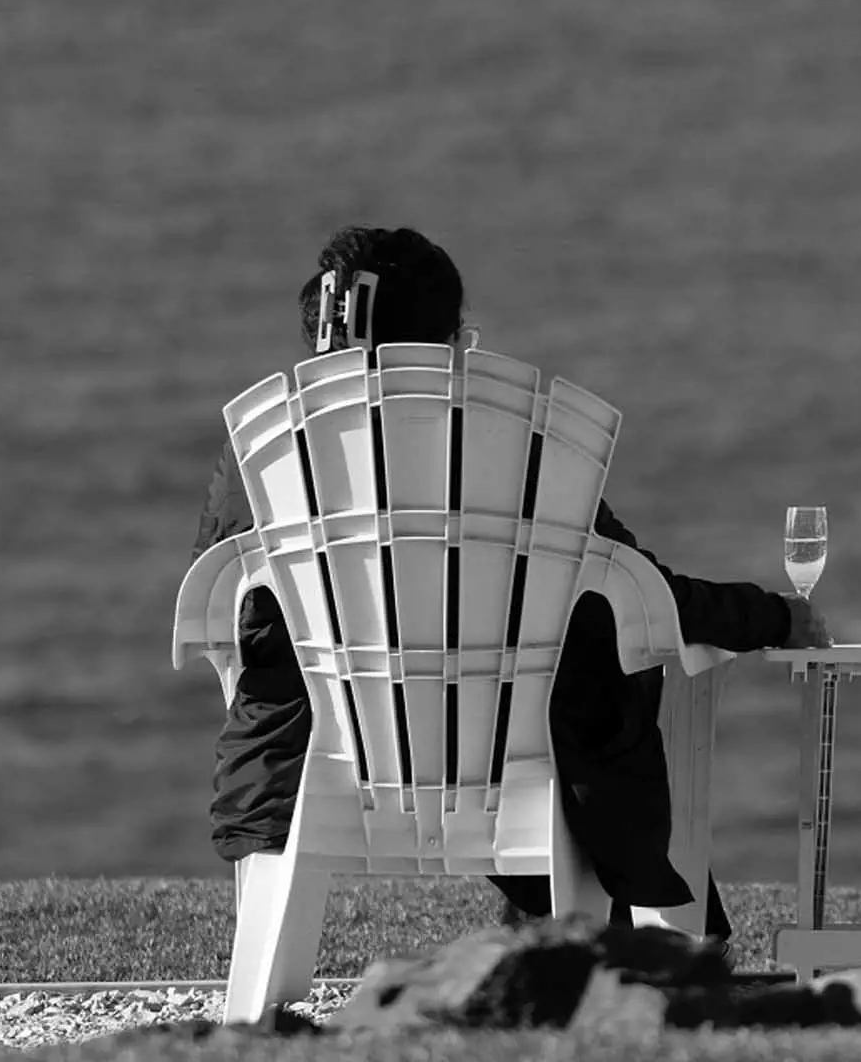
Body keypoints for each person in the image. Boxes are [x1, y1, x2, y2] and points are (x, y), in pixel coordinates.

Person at [193, 224, 824, 938]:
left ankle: (555, 936)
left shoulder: (261, 463)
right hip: (511, 775)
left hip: (312, 768)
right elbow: (644, 593)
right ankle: (646, 932)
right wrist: (772, 616)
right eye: (462, 333)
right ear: (443, 345)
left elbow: (221, 614)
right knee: (593, 681)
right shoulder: (519, 447)